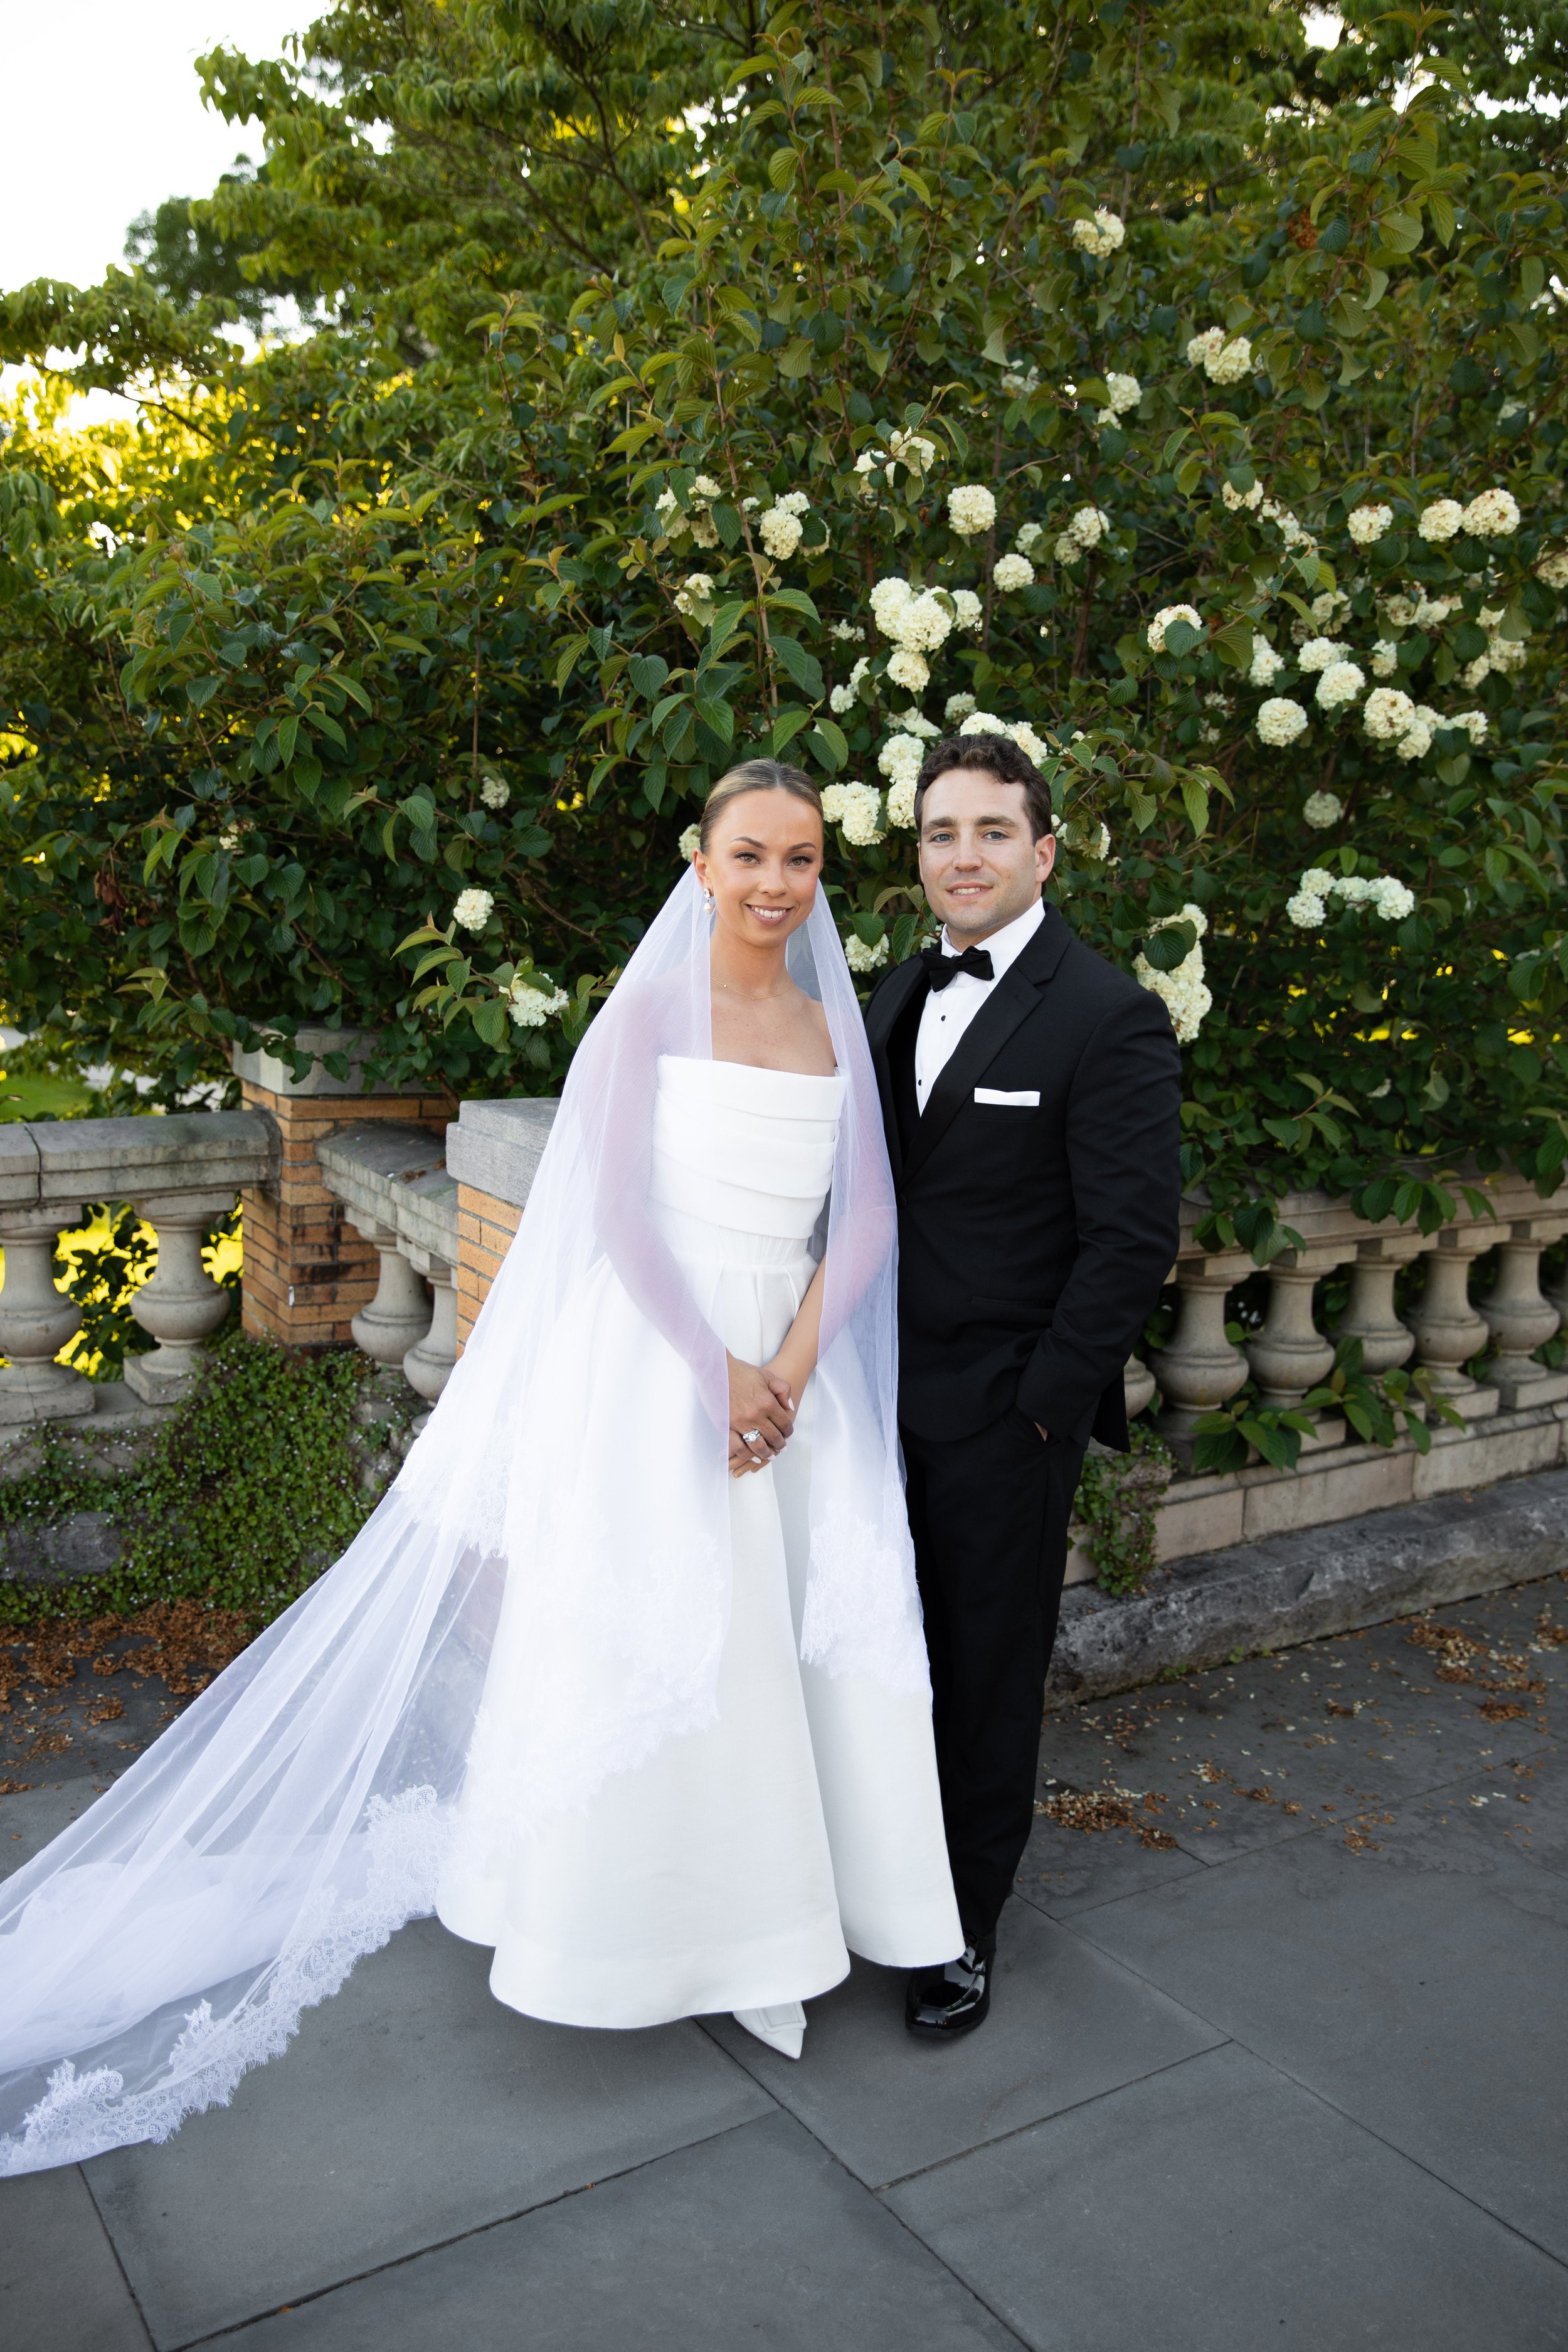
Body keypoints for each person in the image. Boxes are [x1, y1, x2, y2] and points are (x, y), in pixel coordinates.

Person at [0, 760, 960, 2178]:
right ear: (699, 863)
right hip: (658, 1360)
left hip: (791, 1370)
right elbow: (618, 1213)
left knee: (782, 1640)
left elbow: (866, 1218)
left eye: (802, 859)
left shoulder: (829, 1024)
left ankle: (776, 1923)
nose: (775, 883)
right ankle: (621, 1926)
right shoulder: (648, 1017)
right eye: (750, 854)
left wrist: (794, 1368)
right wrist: (719, 1372)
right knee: (658, 1632)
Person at [864, 731, 1182, 2038]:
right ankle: (872, 1881)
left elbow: (1129, 1239)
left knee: (984, 1677)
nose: (964, 855)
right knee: (877, 1658)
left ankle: (958, 1930)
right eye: (941, 832)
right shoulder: (890, 989)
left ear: (1040, 851)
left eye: (991, 831)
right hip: (867, 1401)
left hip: (1004, 1416)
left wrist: (1044, 1405)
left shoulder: (1107, 1014)